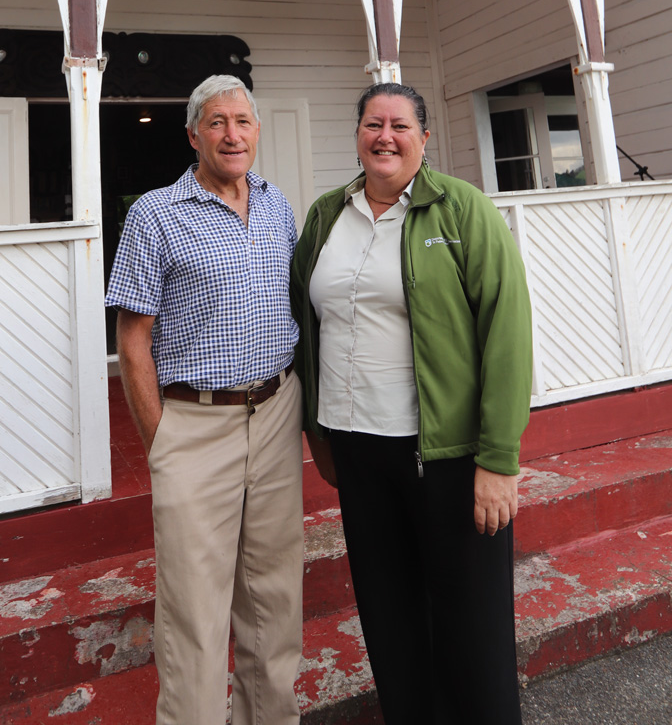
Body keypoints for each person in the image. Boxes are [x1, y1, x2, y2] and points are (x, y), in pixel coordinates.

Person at [291, 82, 532, 725]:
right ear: (359, 135)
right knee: (391, 618)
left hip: (446, 455)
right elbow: (306, 325)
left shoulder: (462, 210)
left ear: (424, 139)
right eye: (374, 123)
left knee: (470, 626)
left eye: (400, 125)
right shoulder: (324, 217)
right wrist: (319, 437)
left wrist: (499, 458)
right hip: (358, 451)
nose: (385, 136)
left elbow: (506, 332)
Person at [106, 75, 303, 725]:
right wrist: (162, 443)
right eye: (217, 122)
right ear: (194, 135)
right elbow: (133, 339)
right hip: (194, 423)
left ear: (256, 130)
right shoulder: (155, 214)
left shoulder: (278, 207)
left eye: (242, 121)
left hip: (276, 414)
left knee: (275, 599)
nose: (232, 134)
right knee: (193, 612)